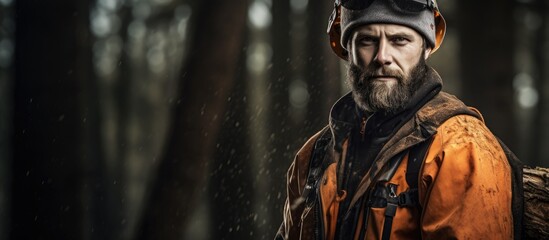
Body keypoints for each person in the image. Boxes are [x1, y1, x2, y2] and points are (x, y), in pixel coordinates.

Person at [275, 0, 516, 239]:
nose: (382, 56)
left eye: (399, 40)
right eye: (367, 40)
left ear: (426, 47)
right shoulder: (313, 156)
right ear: (348, 49)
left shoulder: (460, 147)